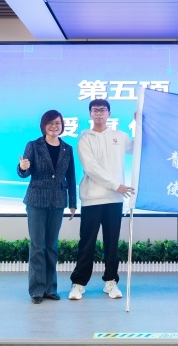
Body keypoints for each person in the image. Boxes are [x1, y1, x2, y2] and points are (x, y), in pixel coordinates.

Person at [68, 99, 134, 300]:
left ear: (109, 113)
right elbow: (91, 168)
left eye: (102, 110)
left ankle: (111, 282)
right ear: (90, 114)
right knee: (87, 243)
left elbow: (139, 147)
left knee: (112, 243)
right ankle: (79, 284)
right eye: (95, 110)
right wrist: (116, 185)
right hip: (92, 199)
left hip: (115, 199)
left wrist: (140, 124)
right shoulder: (85, 139)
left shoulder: (120, 136)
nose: (99, 113)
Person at [17, 110, 76, 304]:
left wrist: (73, 203)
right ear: (43, 126)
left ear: (62, 125)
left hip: (58, 201)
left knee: (51, 246)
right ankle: (36, 290)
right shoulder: (34, 145)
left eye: (57, 123)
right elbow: (24, 172)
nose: (54, 126)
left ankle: (50, 288)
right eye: (50, 123)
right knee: (37, 246)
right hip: (36, 201)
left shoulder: (67, 148)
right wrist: (22, 167)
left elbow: (71, 177)